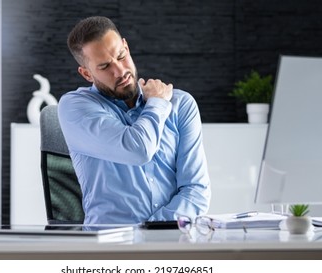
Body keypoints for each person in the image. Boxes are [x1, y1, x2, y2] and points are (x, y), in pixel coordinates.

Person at [58, 16, 211, 224]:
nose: (120, 71)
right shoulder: (75, 108)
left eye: (121, 56)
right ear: (86, 73)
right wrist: (156, 104)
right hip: (111, 247)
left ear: (126, 47)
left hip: (172, 241)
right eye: (104, 67)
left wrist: (152, 233)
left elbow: (196, 191)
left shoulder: (181, 104)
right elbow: (139, 149)